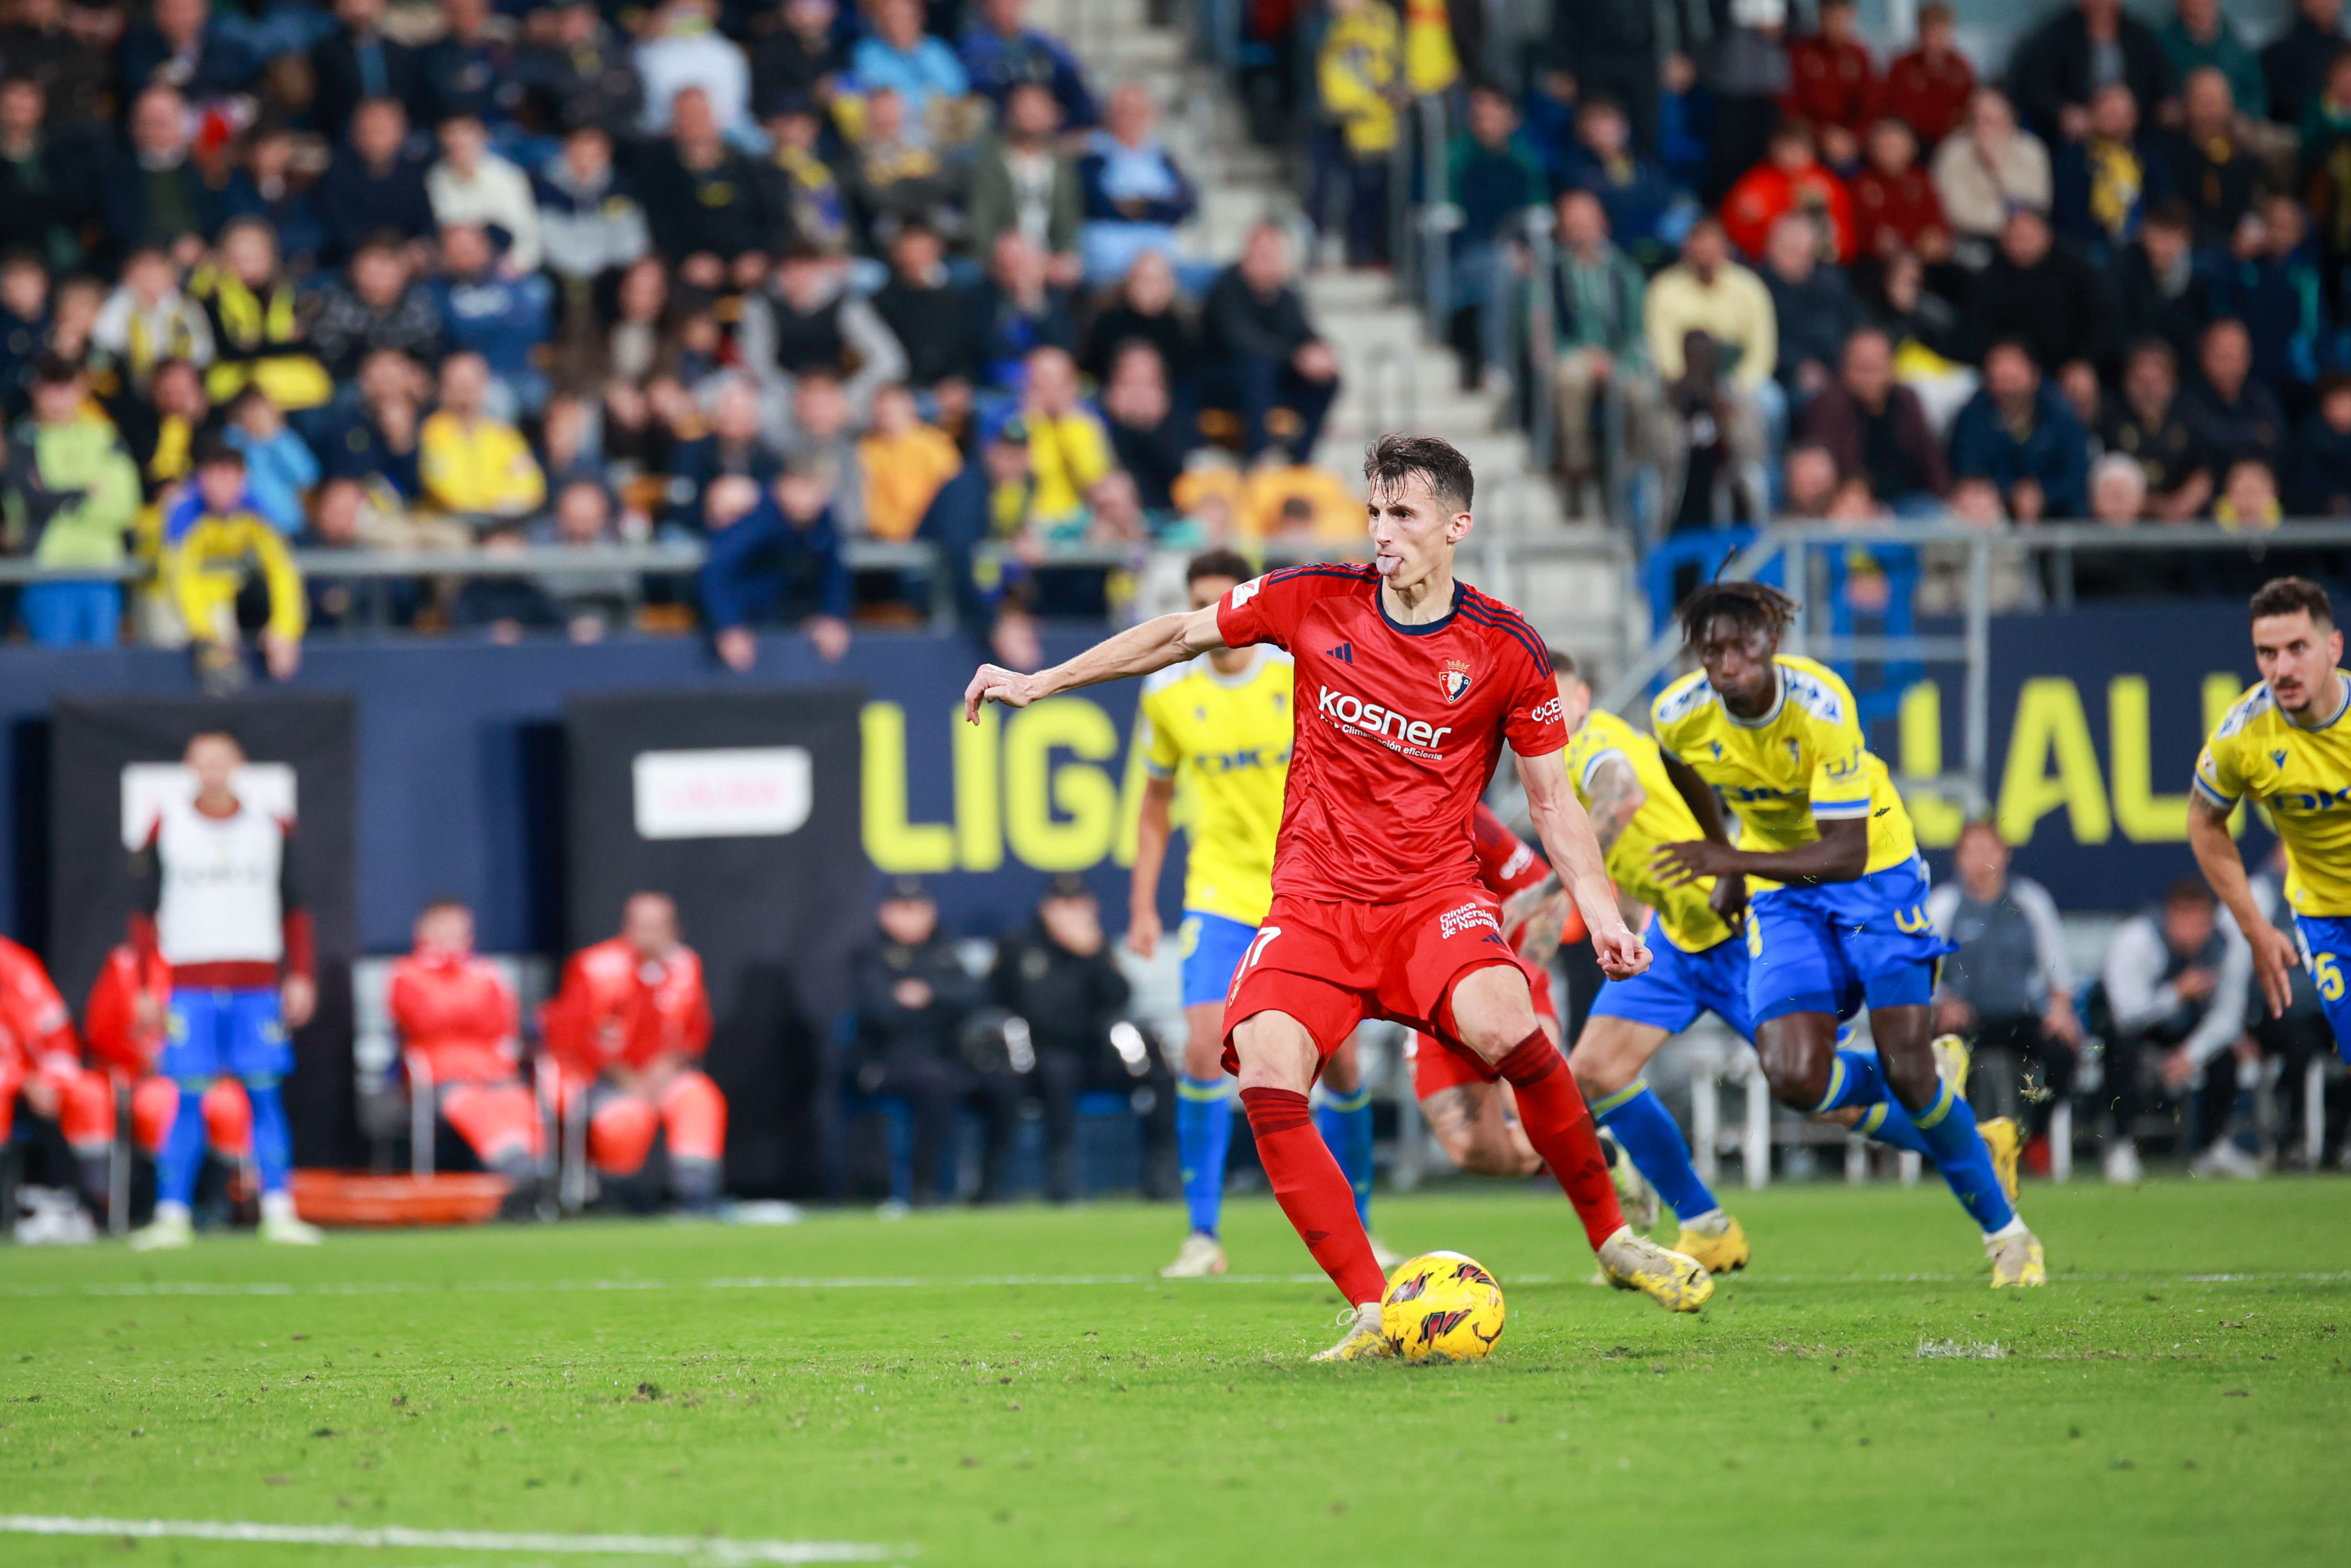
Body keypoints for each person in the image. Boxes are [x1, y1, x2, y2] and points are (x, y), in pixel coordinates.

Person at [965, 434, 1711, 1357]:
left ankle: (1614, 1238)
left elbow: (1554, 800)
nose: (1383, 532)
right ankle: (1371, 1304)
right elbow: (1174, 635)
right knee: (1265, 1062)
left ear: (1456, 527)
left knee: (1509, 1024)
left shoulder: (1505, 647)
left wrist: (1598, 914)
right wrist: (1045, 680)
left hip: (1433, 898)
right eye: (1374, 511)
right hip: (1315, 904)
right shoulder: (1312, 596)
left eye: (1404, 515)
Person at [1649, 582, 2042, 1285]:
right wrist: (1729, 862)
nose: (1727, 663)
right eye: (1712, 651)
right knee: (1794, 1077)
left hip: (1875, 875)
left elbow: (1842, 853)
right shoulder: (1680, 713)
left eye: (1742, 646)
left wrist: (1730, 858)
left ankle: (2010, 1238)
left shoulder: (1822, 706)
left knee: (1907, 1073)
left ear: (1771, 643)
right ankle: (1932, 1077)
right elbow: (1680, 764)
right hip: (1781, 892)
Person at [1129, 549, 1388, 1280]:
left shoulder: (1299, 673)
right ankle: (1203, 1236)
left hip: (1306, 890)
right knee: (1204, 1047)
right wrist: (1142, 901)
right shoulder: (1168, 701)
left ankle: (1363, 1228)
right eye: (1201, 605)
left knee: (1341, 1062)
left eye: (1226, 602)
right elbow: (1153, 810)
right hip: (1217, 893)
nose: (1218, 620)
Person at [1535, 651, 1769, 1276]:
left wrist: (1555, 890)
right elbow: (1638, 850)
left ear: (1584, 697)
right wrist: (1635, 919)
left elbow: (1624, 794)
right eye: (1540, 702)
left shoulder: (1592, 746)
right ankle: (1705, 1225)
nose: (1552, 713)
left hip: (1734, 929)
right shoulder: (1563, 768)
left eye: (1560, 698)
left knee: (1824, 1090)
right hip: (1676, 932)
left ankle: (1946, 1113)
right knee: (1595, 1068)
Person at [126, 731, 321, 1249]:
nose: (212, 770)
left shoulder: (270, 827)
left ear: (240, 764)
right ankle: (172, 1215)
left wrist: (299, 973)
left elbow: (296, 909)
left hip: (256, 982)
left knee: (264, 1093)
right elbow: (143, 915)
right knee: (186, 1095)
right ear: (189, 766)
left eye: (222, 760)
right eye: (202, 761)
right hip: (190, 983)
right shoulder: (168, 826)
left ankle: (279, 1209)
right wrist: (147, 983)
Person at [2189, 577, 2351, 1079]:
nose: (2282, 669)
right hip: (2326, 920)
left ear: (2333, 646)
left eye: (2297, 648)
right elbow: (2204, 822)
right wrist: (2255, 926)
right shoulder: (2243, 736)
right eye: (2267, 653)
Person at [990, 874, 1174, 1204]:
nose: (1071, 914)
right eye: (1063, 905)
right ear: (1046, 909)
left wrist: (1092, 957)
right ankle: (1060, 1183)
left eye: (1079, 905)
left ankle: (1160, 1175)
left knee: (1158, 1069)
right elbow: (1040, 1013)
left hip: (1097, 1053)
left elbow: (1120, 998)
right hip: (1038, 1057)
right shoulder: (1021, 948)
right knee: (1059, 1071)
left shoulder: (1097, 948)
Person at [543, 892, 727, 1213]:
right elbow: (569, 1036)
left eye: (658, 927)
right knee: (627, 1121)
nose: (650, 936)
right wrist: (625, 1077)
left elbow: (696, 1031)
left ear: (674, 930)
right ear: (627, 928)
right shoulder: (595, 966)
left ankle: (696, 1197)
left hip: (663, 1075)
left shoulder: (685, 965)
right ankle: (620, 1201)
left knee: (699, 1098)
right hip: (607, 1080)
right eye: (643, 926)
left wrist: (669, 1065)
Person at [849, 876, 1011, 1204]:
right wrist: (939, 1004)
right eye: (902, 909)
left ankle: (989, 1189)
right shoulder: (870, 955)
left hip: (946, 1059)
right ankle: (925, 1187)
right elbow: (880, 1012)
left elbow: (978, 996)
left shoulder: (944, 950)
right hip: (887, 1064)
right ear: (885, 913)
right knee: (935, 1083)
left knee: (1003, 1084)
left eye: (918, 908)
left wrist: (929, 994)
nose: (911, 917)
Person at [1926, 820, 2080, 1148]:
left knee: (2062, 1050)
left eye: (1988, 849)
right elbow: (1922, 970)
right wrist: (1944, 1002)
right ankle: (1953, 1143)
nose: (1981, 859)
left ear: (2005, 854)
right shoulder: (1943, 905)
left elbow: (2058, 967)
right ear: (1959, 859)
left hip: (2019, 1016)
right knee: (1934, 1052)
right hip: (1967, 1019)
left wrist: (2061, 1008)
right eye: (1972, 851)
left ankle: (2037, 1137)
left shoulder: (2031, 900)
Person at [386, 897, 542, 1209]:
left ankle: (534, 1178)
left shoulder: (488, 973)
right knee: (472, 1103)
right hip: (438, 1077)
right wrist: (461, 997)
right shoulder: (406, 973)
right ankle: (519, 1171)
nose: (448, 938)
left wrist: (461, 1005)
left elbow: (501, 1023)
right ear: (423, 932)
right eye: (441, 929)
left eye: (456, 930)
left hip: (492, 1071)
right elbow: (424, 1021)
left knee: (518, 1101)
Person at [2097, 878, 2251, 1179]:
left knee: (2227, 1054)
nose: (2193, 931)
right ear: (2170, 916)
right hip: (2139, 1028)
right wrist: (2177, 993)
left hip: (2188, 1034)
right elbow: (2126, 1013)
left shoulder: (2227, 947)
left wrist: (2191, 1054)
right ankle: (2121, 1146)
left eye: (2200, 921)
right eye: (2184, 919)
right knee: (2120, 1049)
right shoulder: (2137, 940)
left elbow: (2228, 1017)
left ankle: (2211, 1147)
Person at [9, 354, 142, 646]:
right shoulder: (20, 442)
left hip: (102, 570)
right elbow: (29, 503)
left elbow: (124, 505)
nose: (57, 399)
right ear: (36, 391)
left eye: (65, 387)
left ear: (80, 389)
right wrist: (86, 492)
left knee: (101, 677)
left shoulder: (105, 435)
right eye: (49, 388)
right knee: (53, 676)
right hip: (44, 571)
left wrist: (60, 498)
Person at [161, 443, 307, 688]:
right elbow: (179, 579)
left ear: (243, 478)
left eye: (228, 476)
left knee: (224, 675)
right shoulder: (184, 512)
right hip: (165, 597)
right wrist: (205, 634)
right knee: (169, 671)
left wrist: (285, 628)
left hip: (220, 600)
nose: (220, 486)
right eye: (212, 476)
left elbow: (282, 568)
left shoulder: (255, 508)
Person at [1200, 225, 1341, 463]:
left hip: (1270, 381)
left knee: (1326, 378)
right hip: (1220, 383)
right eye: (1262, 255)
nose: (1269, 262)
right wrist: (1297, 357)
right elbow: (1240, 341)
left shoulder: (1286, 296)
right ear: (1246, 255)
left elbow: (1303, 333)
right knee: (1257, 368)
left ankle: (1299, 460)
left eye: (1274, 255)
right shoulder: (1226, 290)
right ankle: (1258, 459)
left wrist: (1320, 352)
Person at [0, 933, 113, 1230]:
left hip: (31, 1074)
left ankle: (91, 1205)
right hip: (10, 1078)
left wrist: (43, 1079)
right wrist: (19, 1079)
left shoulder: (13, 964)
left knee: (91, 1094)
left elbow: (57, 1036)